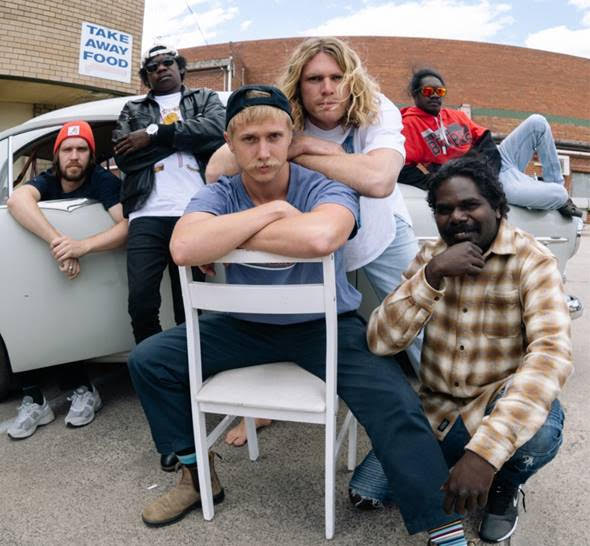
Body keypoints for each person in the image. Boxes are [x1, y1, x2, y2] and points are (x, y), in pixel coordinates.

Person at [128, 85, 469, 544]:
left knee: (395, 399)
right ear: (230, 144)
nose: (263, 152)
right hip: (245, 327)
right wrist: (275, 212)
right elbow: (185, 246)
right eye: (249, 140)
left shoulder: (324, 184)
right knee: (149, 360)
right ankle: (195, 477)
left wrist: (226, 236)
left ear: (291, 138)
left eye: (274, 137)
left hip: (326, 326)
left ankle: (442, 525)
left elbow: (321, 237)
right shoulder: (221, 191)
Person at [206, 36, 421, 447]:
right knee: (278, 317)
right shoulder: (281, 113)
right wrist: (296, 146)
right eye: (314, 79)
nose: (327, 89)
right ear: (298, 84)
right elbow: (217, 169)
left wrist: (302, 146)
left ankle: (446, 408)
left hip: (379, 231)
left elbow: (379, 180)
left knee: (420, 317)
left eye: (337, 77)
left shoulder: (377, 109)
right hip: (313, 236)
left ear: (352, 80)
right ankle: (264, 407)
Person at [363, 155, 573, 543]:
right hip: (436, 413)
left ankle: (504, 483)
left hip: (496, 407)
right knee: (365, 493)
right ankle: (445, 460)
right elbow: (381, 340)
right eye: (444, 209)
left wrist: (485, 454)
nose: (457, 217)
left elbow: (551, 356)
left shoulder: (533, 261)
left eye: (470, 205)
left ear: (497, 207)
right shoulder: (431, 257)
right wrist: (431, 275)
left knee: (542, 432)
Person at [112, 43, 225, 471]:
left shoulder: (204, 98)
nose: (162, 69)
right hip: (146, 212)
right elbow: (124, 155)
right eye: (153, 67)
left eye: (168, 64)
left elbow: (218, 131)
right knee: (141, 302)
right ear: (146, 77)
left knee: (190, 305)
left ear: (181, 69)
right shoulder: (132, 109)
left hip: (195, 209)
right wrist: (178, 139)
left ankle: (196, 382)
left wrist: (154, 135)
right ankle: (160, 379)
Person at [6, 120, 127, 439]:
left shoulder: (102, 180)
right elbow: (17, 200)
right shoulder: (48, 179)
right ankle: (34, 399)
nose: (74, 156)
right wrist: (61, 245)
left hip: (93, 275)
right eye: (67, 149)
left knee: (65, 319)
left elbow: (126, 227)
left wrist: (82, 247)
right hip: (45, 270)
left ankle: (82, 389)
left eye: (82, 149)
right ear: (57, 155)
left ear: (91, 155)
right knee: (25, 316)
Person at [399, 68, 583, 218]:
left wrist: (489, 172)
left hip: (497, 162)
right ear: (415, 95)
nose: (435, 96)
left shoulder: (455, 115)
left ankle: (557, 187)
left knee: (537, 122)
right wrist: (436, 182)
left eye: (440, 91)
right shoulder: (410, 124)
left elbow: (484, 139)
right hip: (480, 180)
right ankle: (558, 195)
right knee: (558, 194)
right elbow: (402, 168)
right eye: (428, 91)